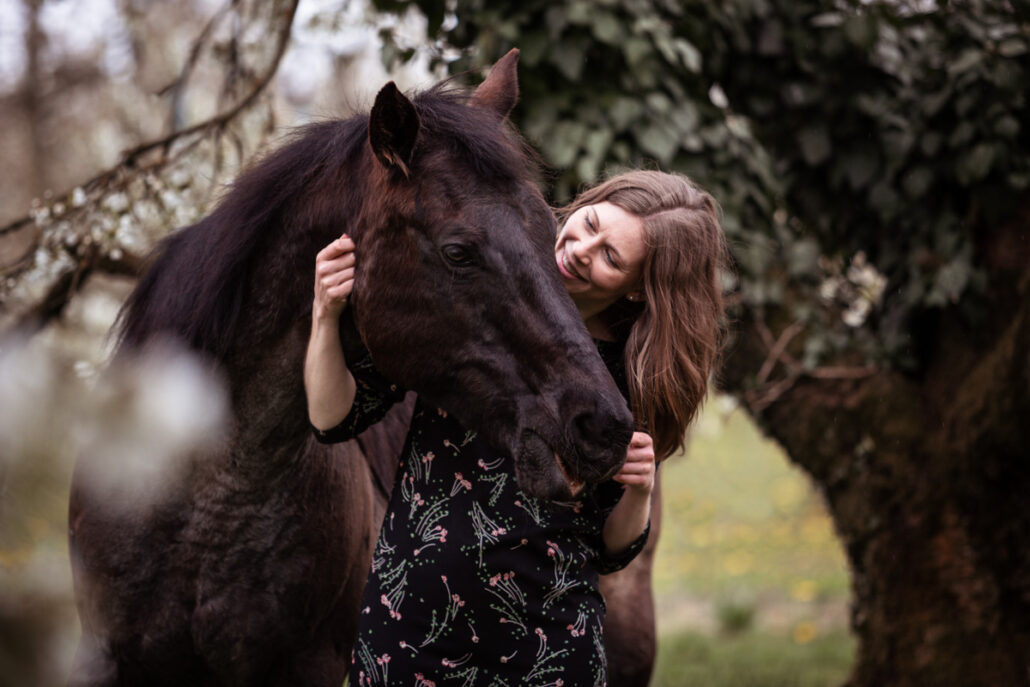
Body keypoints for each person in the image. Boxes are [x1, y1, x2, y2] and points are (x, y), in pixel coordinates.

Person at [305, 170, 729, 686]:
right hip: (409, 633)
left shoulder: (636, 375)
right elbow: (334, 417)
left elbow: (613, 550)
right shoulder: (473, 295)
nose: (580, 249)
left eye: (610, 257)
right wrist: (326, 315)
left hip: (545, 651)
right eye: (588, 223)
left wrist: (640, 489)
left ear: (639, 290)